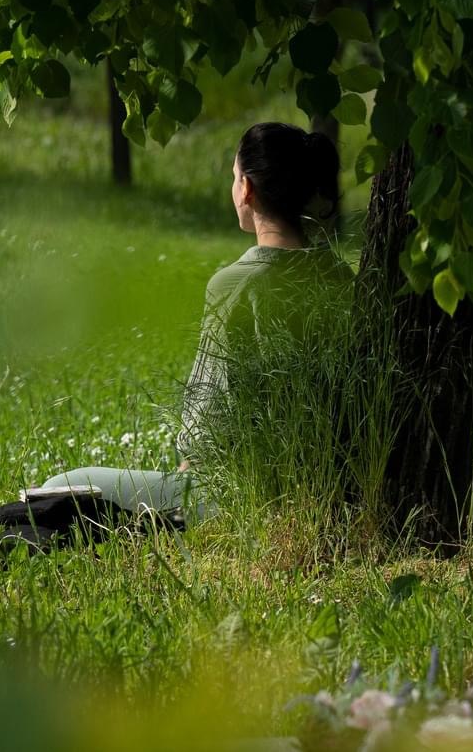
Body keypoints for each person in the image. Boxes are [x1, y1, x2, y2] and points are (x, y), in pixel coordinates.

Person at [24, 121, 355, 527]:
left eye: (234, 177)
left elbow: (208, 416)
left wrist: (190, 470)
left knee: (61, 485)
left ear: (246, 189)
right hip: (335, 486)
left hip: (235, 493)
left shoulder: (234, 285)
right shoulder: (341, 278)